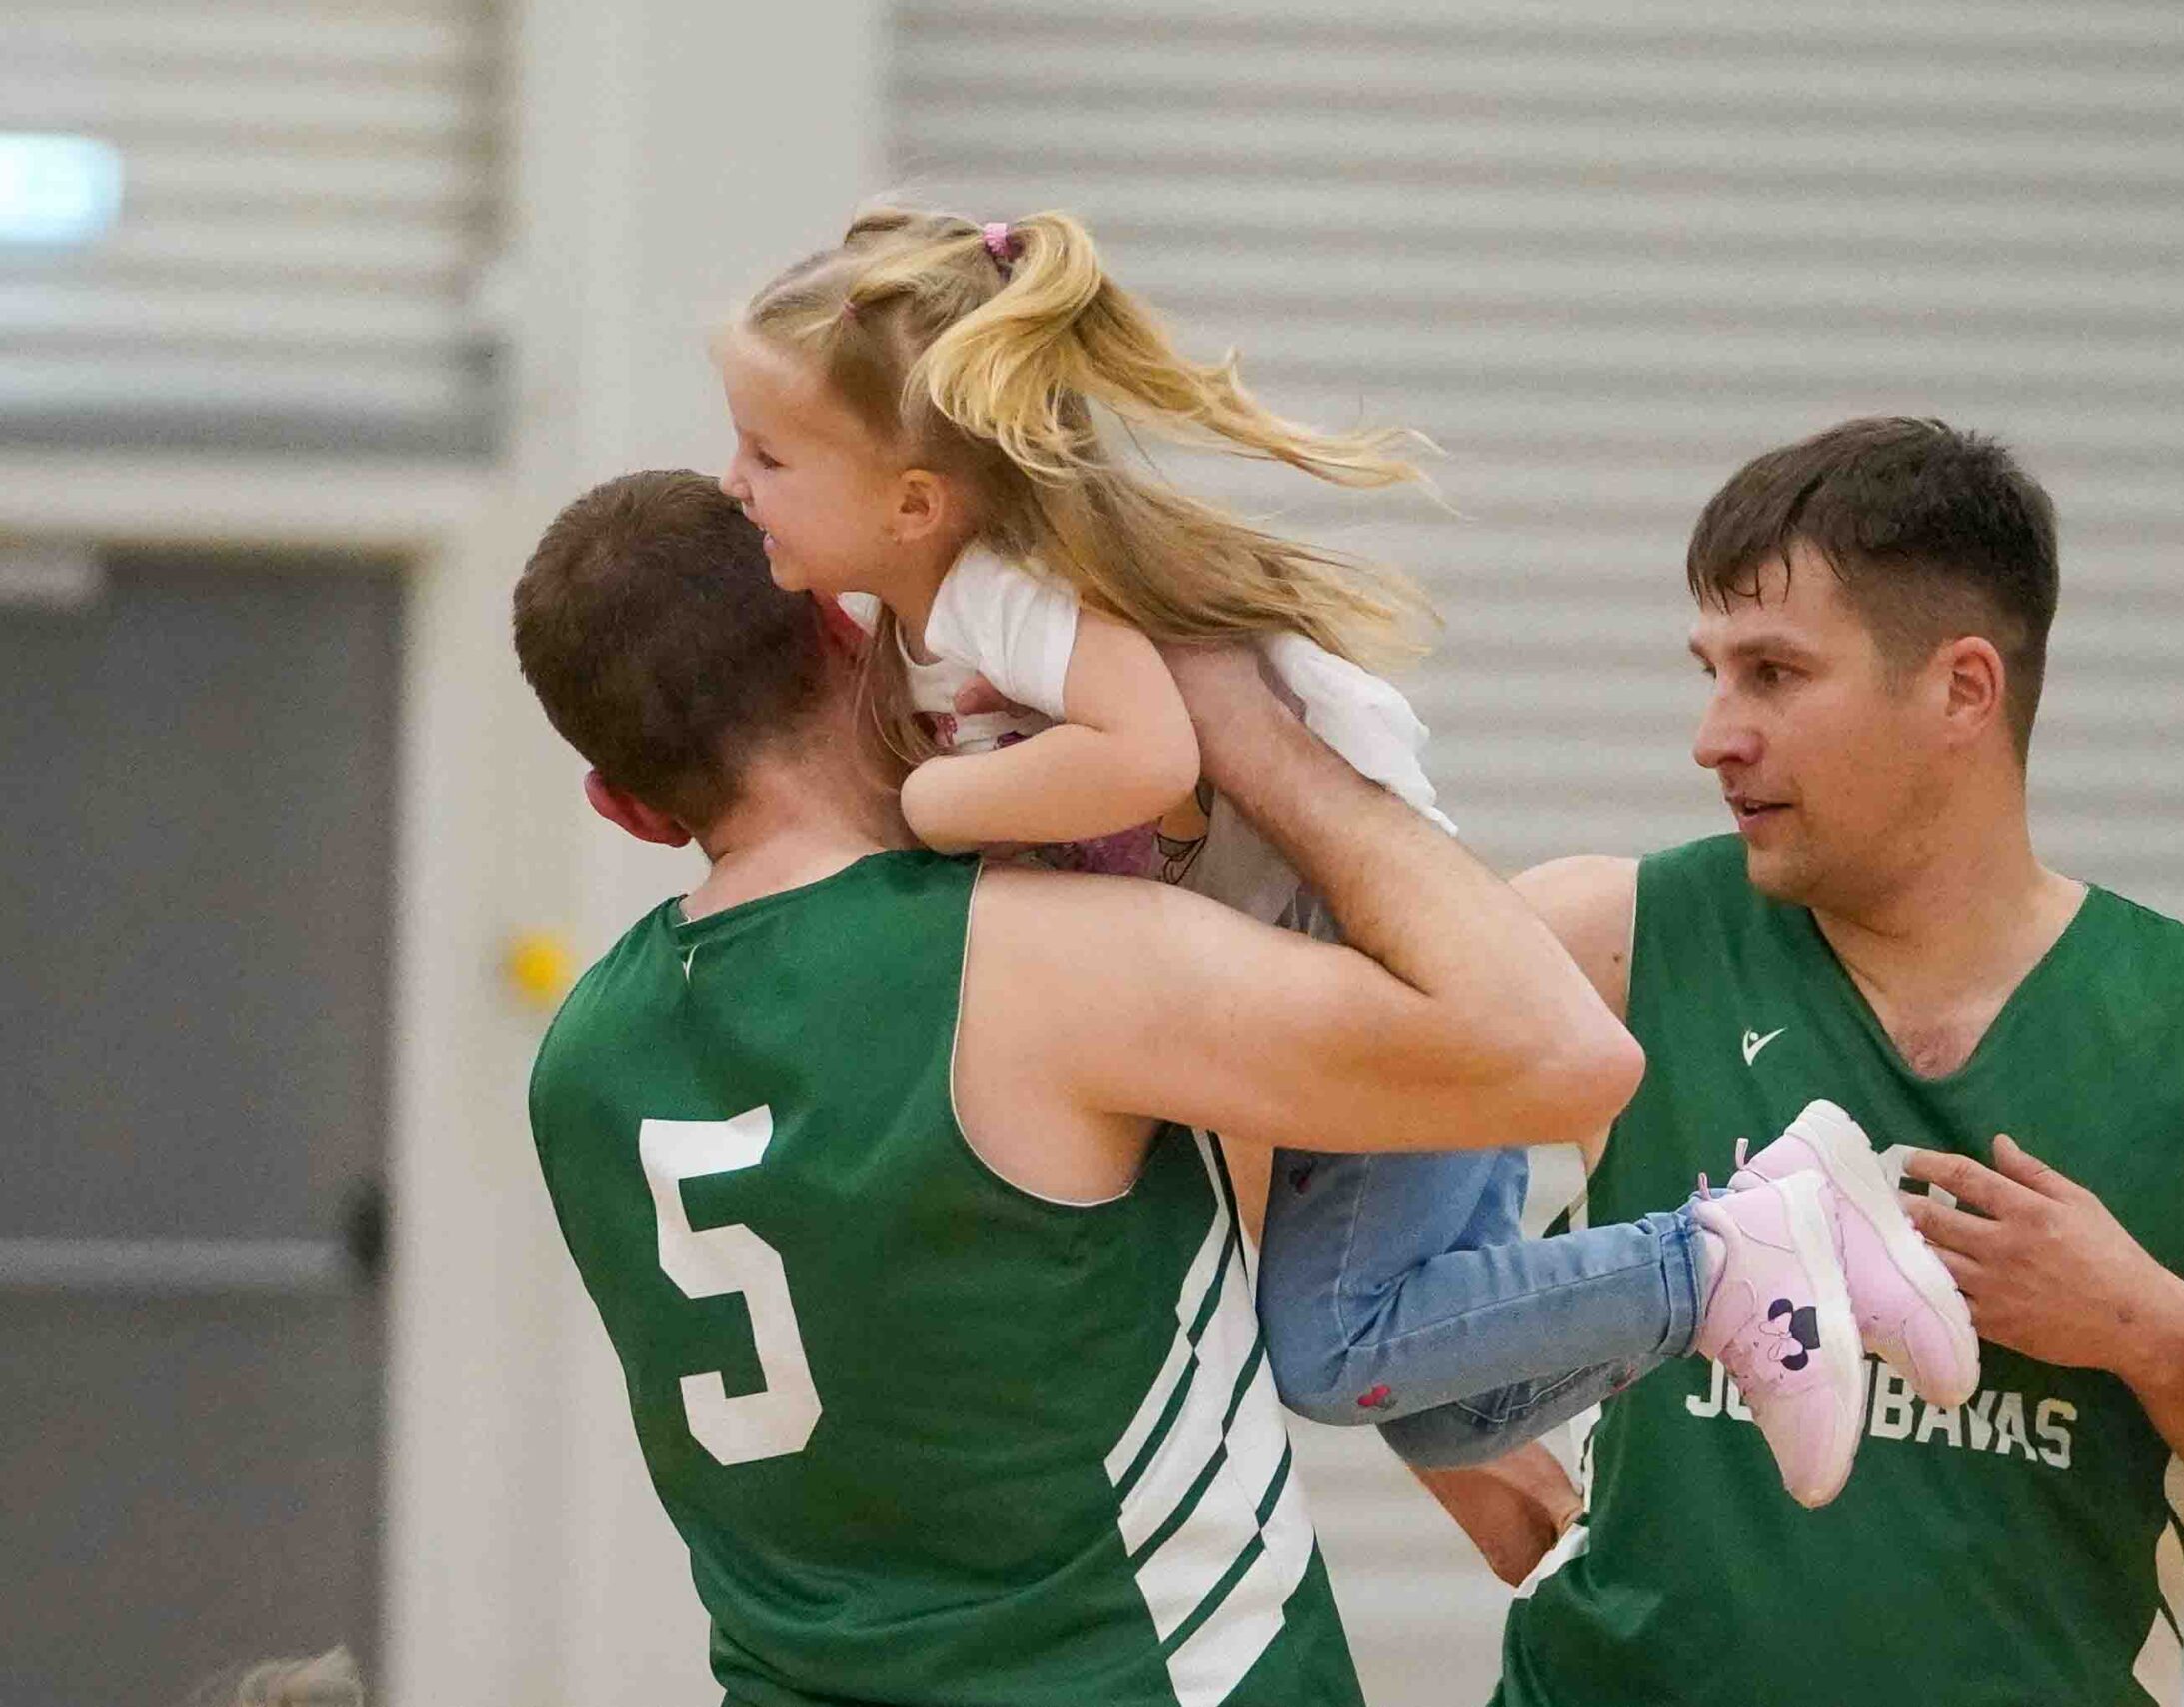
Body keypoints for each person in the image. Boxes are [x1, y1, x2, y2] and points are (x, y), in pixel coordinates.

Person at [708, 204, 1973, 1502]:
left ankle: (1724, 1260)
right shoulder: (921, 629)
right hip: (1334, 959)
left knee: (1331, 1352)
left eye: (768, 453)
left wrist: (936, 803)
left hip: (1366, 942)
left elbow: (1146, 750)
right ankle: (1793, 1245)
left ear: (914, 500)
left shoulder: (1001, 594)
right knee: (1448, 1410)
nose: (735, 483)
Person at [513, 467, 1651, 1704]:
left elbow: (987, 1298)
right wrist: (1249, 730)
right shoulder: (1036, 960)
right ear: (845, 628)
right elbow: (1558, 1051)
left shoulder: (580, 1062)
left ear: (624, 807)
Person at [1420, 418, 2184, 1705]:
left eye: (1772, 673)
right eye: (1711, 672)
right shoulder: (1610, 945)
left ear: (1963, 689)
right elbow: (1286, 1167)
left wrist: (2152, 1332)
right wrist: (1489, 1474)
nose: (1714, 734)